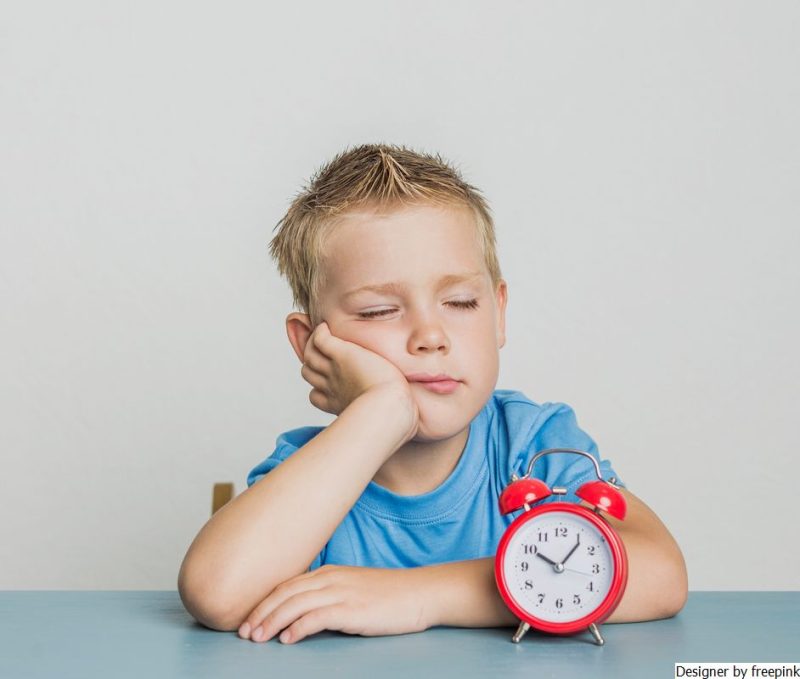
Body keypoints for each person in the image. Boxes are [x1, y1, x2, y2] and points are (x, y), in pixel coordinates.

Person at [178, 143, 688, 645]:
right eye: (380, 311)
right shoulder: (313, 474)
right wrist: (382, 411)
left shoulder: (532, 444)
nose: (431, 334)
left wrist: (420, 596)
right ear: (312, 342)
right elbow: (217, 593)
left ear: (499, 312)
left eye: (462, 302)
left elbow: (662, 574)